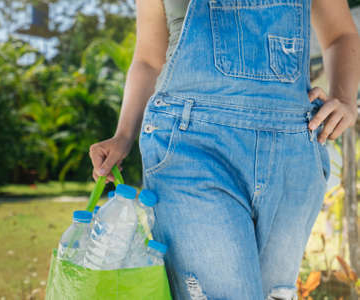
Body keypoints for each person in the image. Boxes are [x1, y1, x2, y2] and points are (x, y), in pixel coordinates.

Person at [89, 0, 359, 299]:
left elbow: (340, 34)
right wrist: (123, 134)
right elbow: (149, 59)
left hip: (291, 154)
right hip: (192, 149)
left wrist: (345, 99)